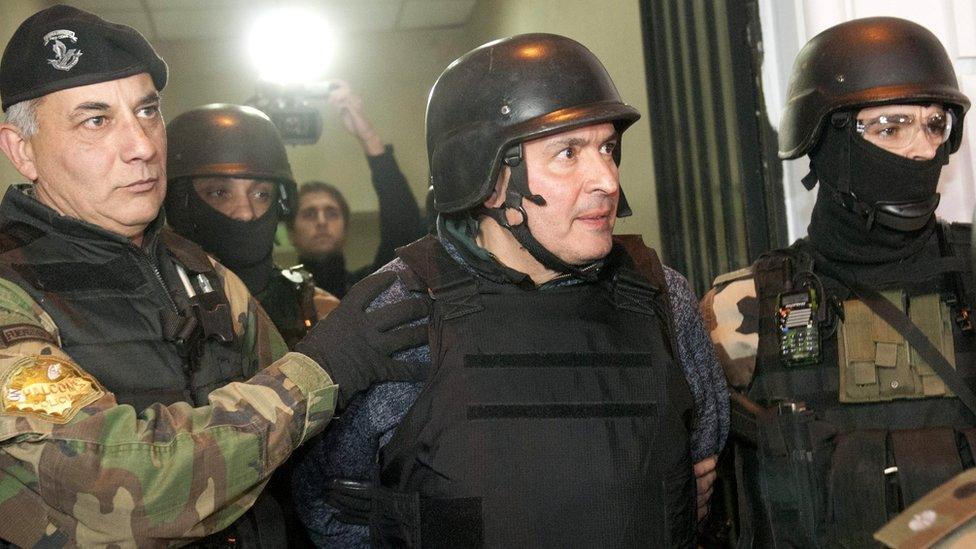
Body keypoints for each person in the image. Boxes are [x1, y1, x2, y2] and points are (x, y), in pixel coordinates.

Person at [0, 6, 424, 546]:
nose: (143, 146)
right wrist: (321, 370)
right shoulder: (10, 290)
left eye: (147, 111)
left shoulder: (201, 274)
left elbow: (301, 453)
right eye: (97, 120)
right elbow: (117, 486)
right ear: (21, 149)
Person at [292, 33, 729, 548]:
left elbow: (698, 471)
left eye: (607, 148)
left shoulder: (663, 296)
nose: (607, 180)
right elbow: (329, 508)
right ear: (487, 179)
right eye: (569, 152)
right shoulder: (398, 310)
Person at [701, 17, 974, 547]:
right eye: (891, 126)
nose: (921, 149)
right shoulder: (742, 308)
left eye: (935, 124)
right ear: (824, 139)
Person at [165, 103, 339, 349]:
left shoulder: (320, 312)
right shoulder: (153, 312)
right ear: (179, 202)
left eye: (261, 194)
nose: (246, 213)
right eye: (220, 193)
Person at [286, 81, 424, 298]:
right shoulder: (273, 302)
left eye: (331, 213)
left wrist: (369, 138)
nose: (321, 222)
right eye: (309, 213)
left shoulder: (368, 291)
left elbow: (404, 227)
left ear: (345, 227)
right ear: (291, 233)